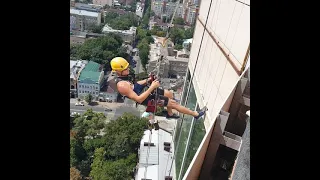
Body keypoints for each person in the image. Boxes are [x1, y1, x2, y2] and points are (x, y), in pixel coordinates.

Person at [110, 57, 207, 120]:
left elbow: (135, 85)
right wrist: (152, 87)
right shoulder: (121, 85)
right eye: (125, 69)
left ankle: (170, 114)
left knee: (169, 94)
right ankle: (195, 114)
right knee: (173, 103)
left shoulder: (124, 78)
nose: (128, 69)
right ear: (119, 71)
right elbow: (139, 99)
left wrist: (148, 80)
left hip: (146, 91)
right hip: (148, 99)